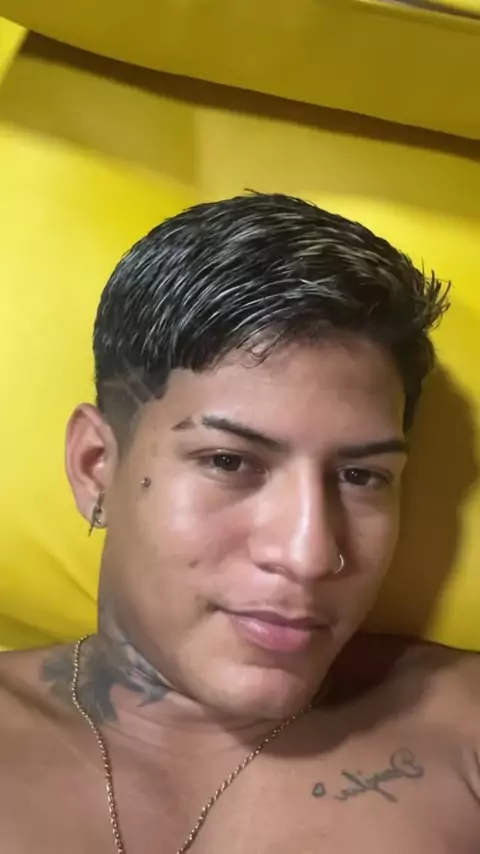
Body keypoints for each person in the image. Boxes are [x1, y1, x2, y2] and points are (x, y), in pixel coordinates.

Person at [0, 192, 478, 854]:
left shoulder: (463, 729)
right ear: (96, 466)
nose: (309, 554)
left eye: (361, 476)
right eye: (229, 462)